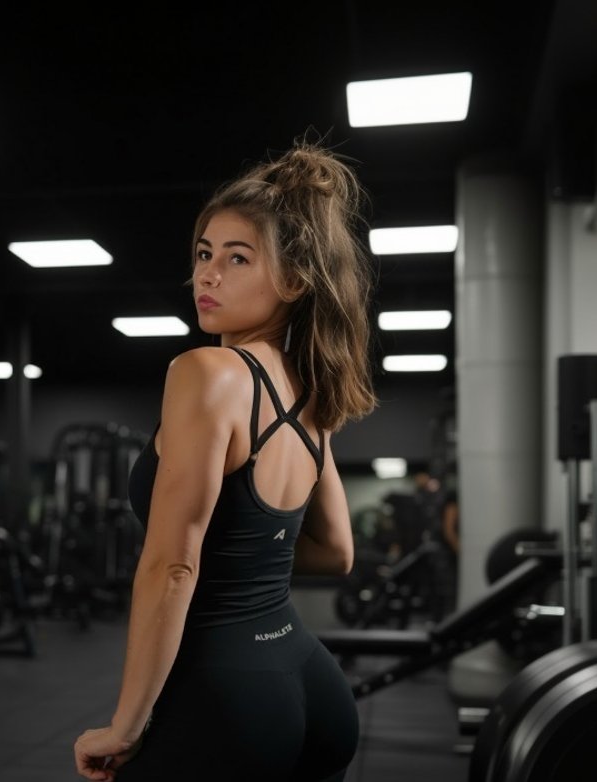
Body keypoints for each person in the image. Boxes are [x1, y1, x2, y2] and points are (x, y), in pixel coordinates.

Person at [73, 141, 376, 781]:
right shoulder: (308, 393)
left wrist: (126, 725)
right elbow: (337, 552)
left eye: (237, 258)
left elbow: (172, 565)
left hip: (229, 698)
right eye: (203, 254)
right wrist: (241, 553)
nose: (207, 275)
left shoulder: (206, 372)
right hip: (311, 685)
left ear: (294, 280)